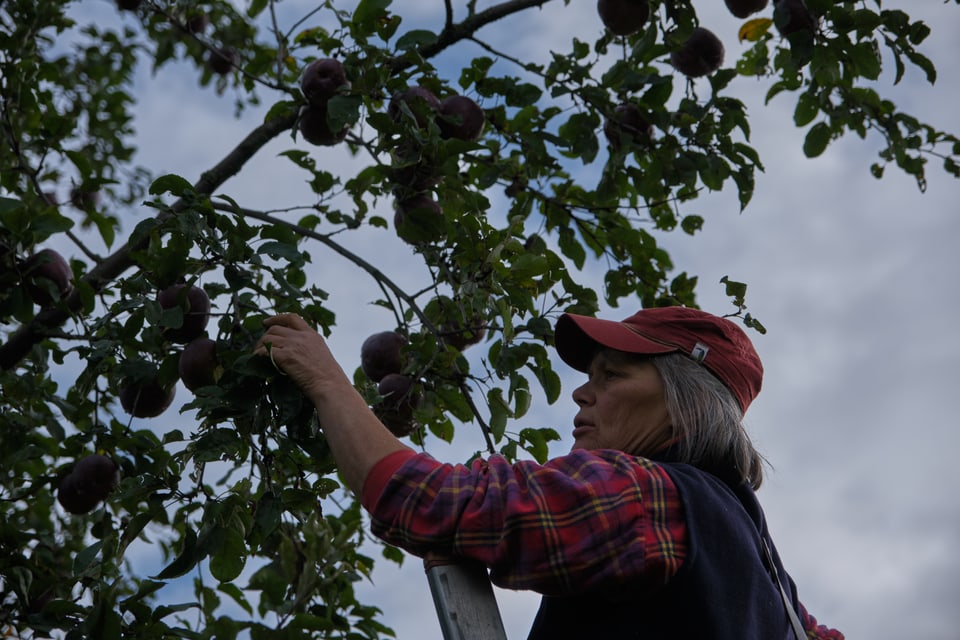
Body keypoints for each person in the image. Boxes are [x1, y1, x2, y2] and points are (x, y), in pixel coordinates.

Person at [254, 306, 844, 639]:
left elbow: (425, 500)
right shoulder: (774, 589)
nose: (583, 395)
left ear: (683, 401)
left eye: (612, 376)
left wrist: (326, 381)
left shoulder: (647, 498)